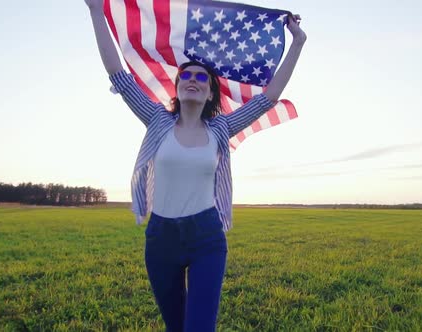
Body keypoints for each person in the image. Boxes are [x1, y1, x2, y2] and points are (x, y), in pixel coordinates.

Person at [84, 0, 306, 330]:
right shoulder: (157, 119)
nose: (192, 79)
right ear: (176, 87)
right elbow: (118, 72)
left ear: (209, 92)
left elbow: (268, 97)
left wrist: (298, 42)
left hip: (206, 238)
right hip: (161, 238)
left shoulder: (221, 128)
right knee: (176, 327)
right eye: (185, 74)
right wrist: (95, 10)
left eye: (201, 77)